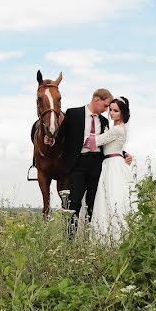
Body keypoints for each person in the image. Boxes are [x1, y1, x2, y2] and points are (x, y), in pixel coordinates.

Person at [58, 88, 112, 233]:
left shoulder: (104, 121)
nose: (107, 110)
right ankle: (69, 239)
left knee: (93, 201)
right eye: (105, 106)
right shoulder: (73, 114)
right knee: (74, 202)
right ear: (96, 100)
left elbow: (108, 142)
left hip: (97, 164)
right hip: (78, 163)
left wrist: (124, 154)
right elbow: (60, 137)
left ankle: (90, 236)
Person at [91, 97, 135, 242]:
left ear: (123, 113)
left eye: (116, 111)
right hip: (115, 161)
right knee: (114, 196)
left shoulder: (116, 130)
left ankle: (112, 235)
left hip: (112, 164)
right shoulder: (120, 128)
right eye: (110, 110)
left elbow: (96, 142)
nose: (111, 113)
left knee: (111, 197)